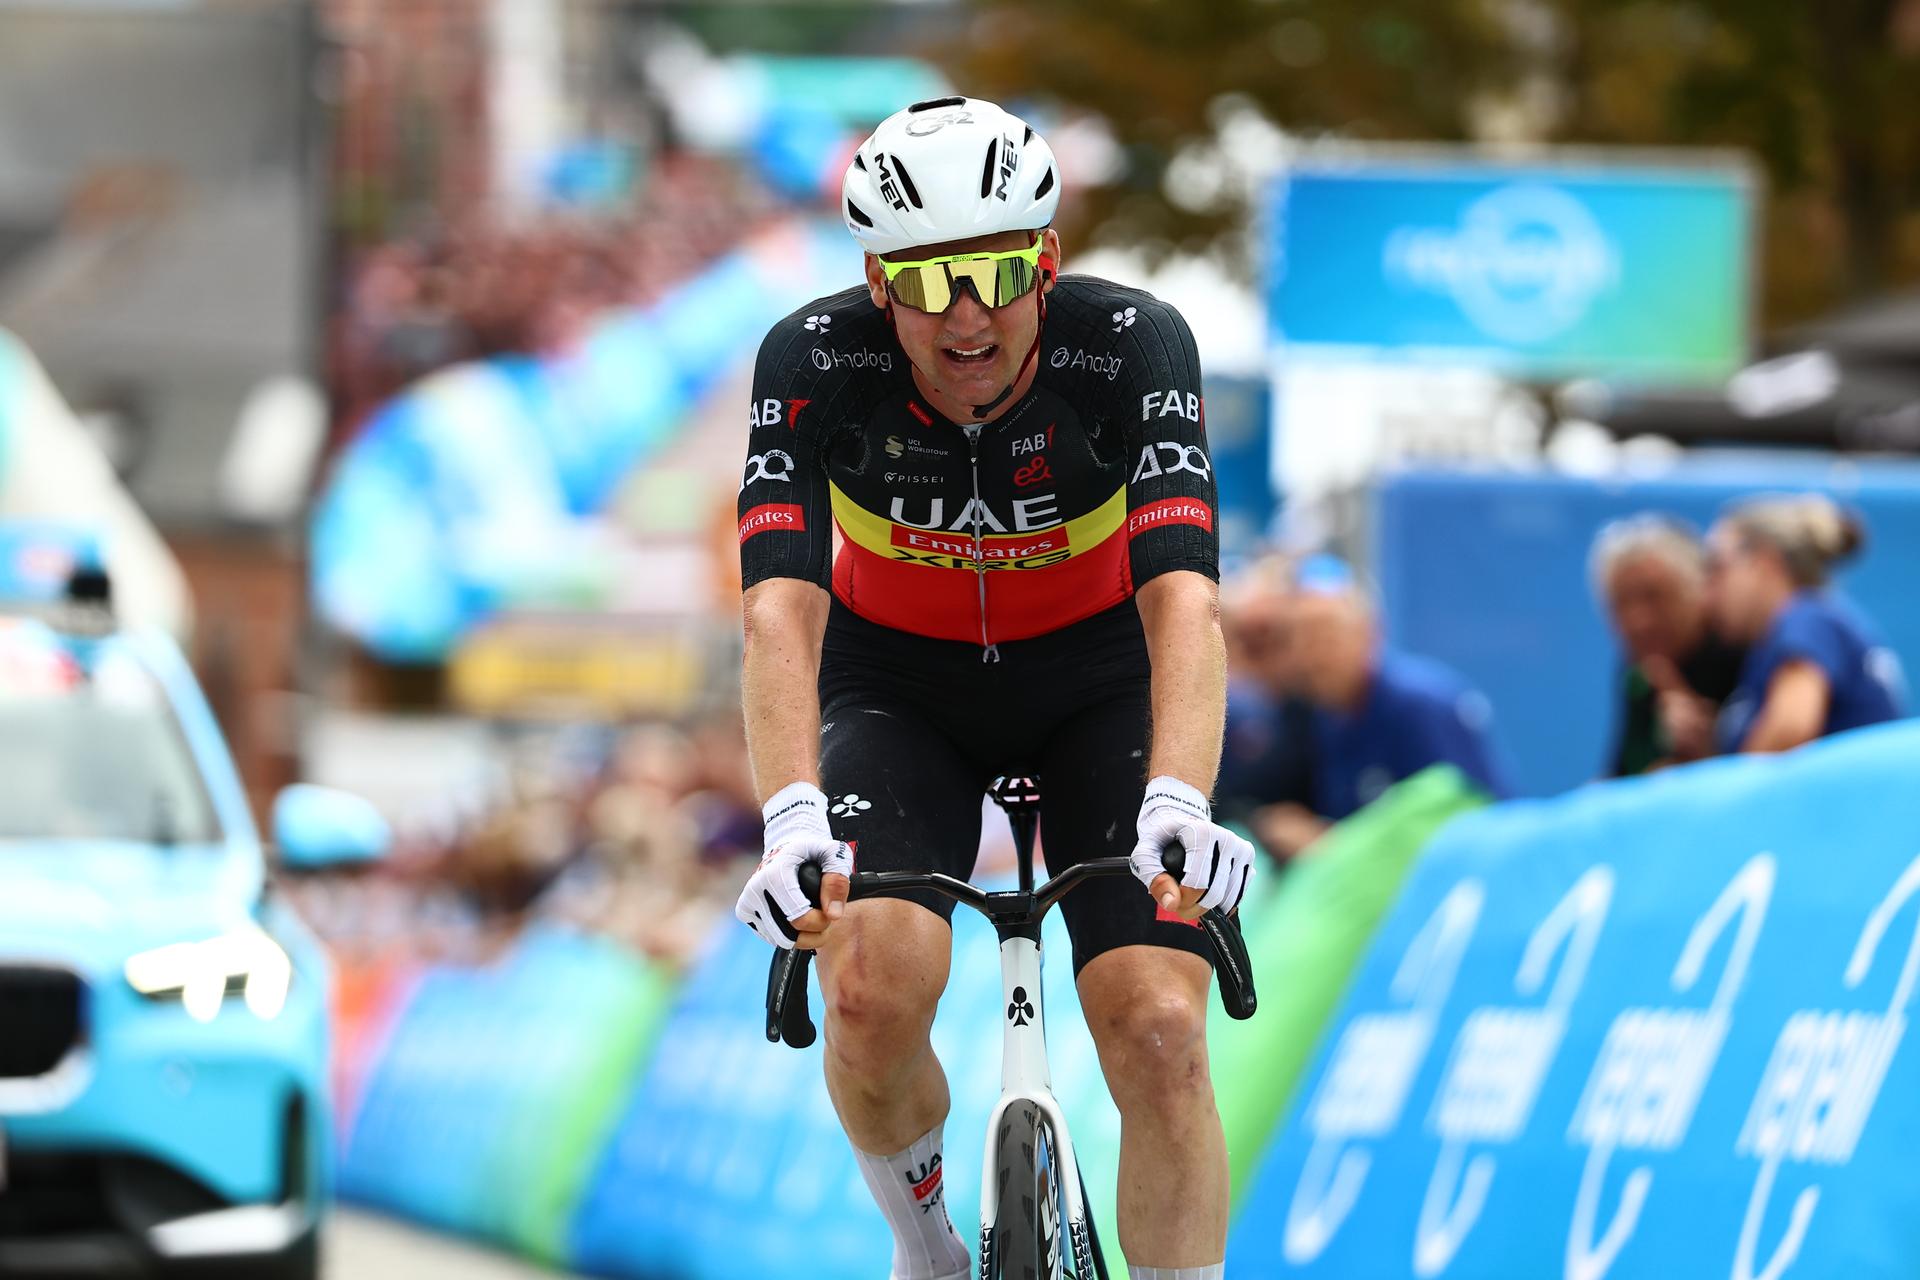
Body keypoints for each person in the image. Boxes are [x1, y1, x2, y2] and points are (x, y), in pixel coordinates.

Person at [730, 97, 1256, 1280]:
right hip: (898, 689)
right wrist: (789, 814)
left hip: (1099, 685)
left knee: (1162, 1026)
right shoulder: (812, 362)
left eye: (996, 274)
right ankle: (929, 1251)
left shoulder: (1131, 345)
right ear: (877, 282)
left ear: (1047, 262)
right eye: (925, 282)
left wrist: (1180, 791)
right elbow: (778, 609)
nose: (964, 315)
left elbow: (1184, 600)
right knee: (864, 986)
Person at [1256, 558, 1509, 856]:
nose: (1314, 656)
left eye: (1325, 635)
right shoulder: (1324, 715)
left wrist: (1326, 843)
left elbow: (1467, 820)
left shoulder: (1419, 705)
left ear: (1368, 633)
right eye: (1301, 639)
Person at [1706, 494, 1905, 754]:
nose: (1708, 596)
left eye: (1717, 569)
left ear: (1764, 563)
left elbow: (1790, 730)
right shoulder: (1808, 623)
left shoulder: (1805, 620)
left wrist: (1722, 791)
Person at [1590, 514, 1747, 775]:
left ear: (1699, 589)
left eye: (1653, 597)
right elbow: (1620, 775)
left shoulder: (1741, 653)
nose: (1637, 621)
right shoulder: (1638, 670)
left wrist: (1706, 751)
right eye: (1621, 603)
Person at [1216, 555, 1319, 856]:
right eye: (1248, 641)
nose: (1263, 655)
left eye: (1275, 638)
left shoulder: (1326, 707)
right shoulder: (1235, 710)